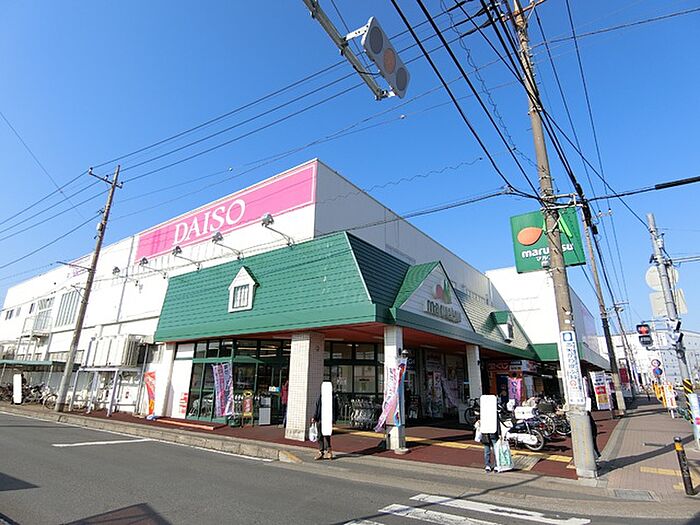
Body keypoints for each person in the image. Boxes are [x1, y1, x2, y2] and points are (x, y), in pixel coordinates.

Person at [311, 385, 339, 460]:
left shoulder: (333, 398)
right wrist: (314, 417)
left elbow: (336, 409)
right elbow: (317, 407)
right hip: (320, 418)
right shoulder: (320, 397)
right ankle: (321, 451)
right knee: (319, 436)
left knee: (327, 435)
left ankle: (329, 451)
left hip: (327, 418)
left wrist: (334, 419)